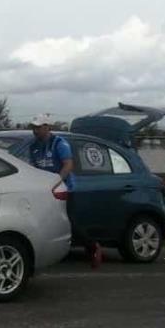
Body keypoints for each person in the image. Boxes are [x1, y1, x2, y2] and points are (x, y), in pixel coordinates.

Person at [28, 114, 102, 269]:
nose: (35, 130)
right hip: (45, 190)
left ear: (47, 127)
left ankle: (93, 246)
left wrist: (57, 181)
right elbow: (33, 168)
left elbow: (68, 165)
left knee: (69, 222)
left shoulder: (59, 144)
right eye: (34, 127)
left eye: (39, 127)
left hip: (65, 188)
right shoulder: (33, 146)